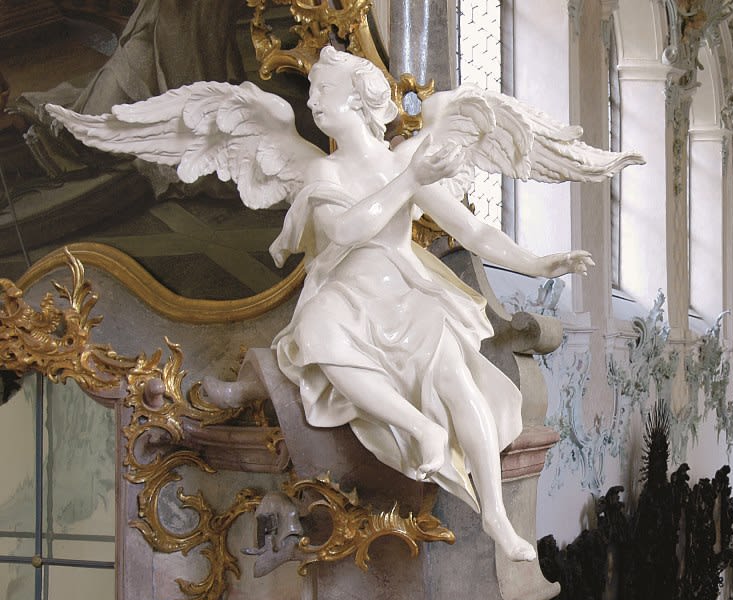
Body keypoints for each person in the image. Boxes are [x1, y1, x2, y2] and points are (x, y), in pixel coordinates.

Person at [51, 47, 642, 561]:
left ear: (358, 101)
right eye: (313, 93)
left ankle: (495, 515)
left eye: (323, 92)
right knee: (318, 333)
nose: (312, 103)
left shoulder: (405, 160)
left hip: (406, 290)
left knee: (458, 379)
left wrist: (539, 263)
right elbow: (349, 229)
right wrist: (410, 181)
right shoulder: (323, 169)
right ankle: (415, 426)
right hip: (344, 294)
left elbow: (472, 230)